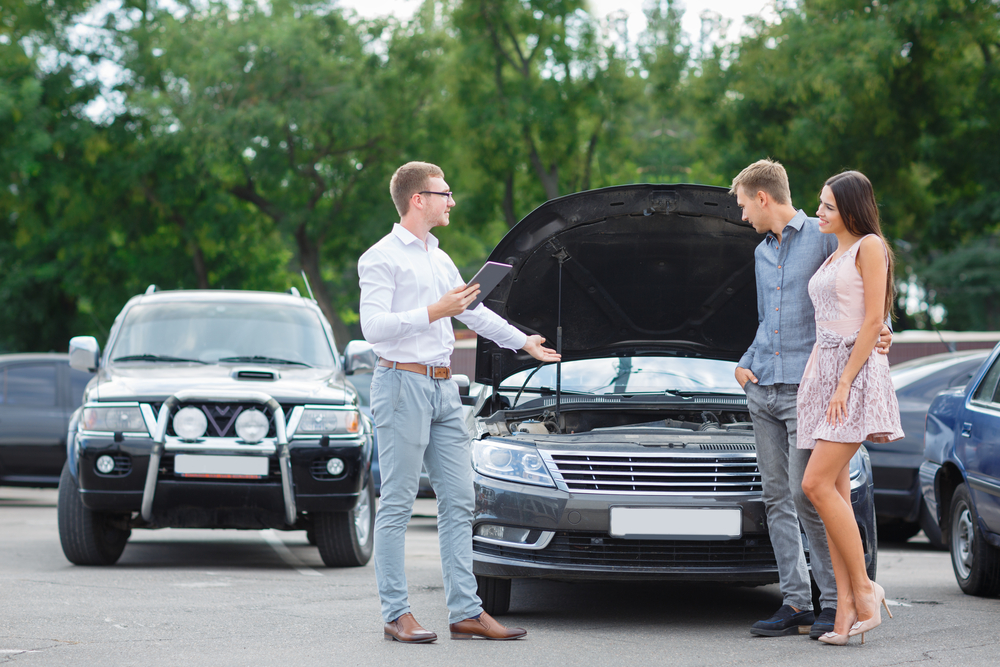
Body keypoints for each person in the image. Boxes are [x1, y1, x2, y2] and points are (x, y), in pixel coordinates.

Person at [358, 161, 560, 643]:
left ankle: (466, 612)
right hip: (401, 384)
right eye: (443, 192)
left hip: (446, 389)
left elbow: (475, 311)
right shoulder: (380, 257)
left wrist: (523, 341)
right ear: (417, 200)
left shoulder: (439, 258)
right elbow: (373, 329)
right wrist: (435, 311)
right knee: (400, 503)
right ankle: (396, 614)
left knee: (460, 502)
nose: (451, 200)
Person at [731, 159, 892, 640]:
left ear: (763, 197)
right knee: (777, 497)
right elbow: (767, 320)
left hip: (814, 389)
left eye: (743, 205)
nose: (742, 217)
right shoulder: (760, 254)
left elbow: (866, 296)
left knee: (811, 496)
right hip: (763, 386)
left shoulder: (827, 233)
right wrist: (745, 362)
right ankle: (797, 602)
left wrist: (883, 334)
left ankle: (835, 598)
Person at [798, 171, 903, 645]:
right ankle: (844, 614)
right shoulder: (834, 252)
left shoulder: (870, 247)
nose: (818, 213)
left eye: (827, 207)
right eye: (819, 205)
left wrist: (843, 381)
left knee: (815, 485)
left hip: (852, 377)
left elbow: (875, 318)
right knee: (832, 495)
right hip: (824, 374)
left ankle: (865, 588)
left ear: (852, 211)